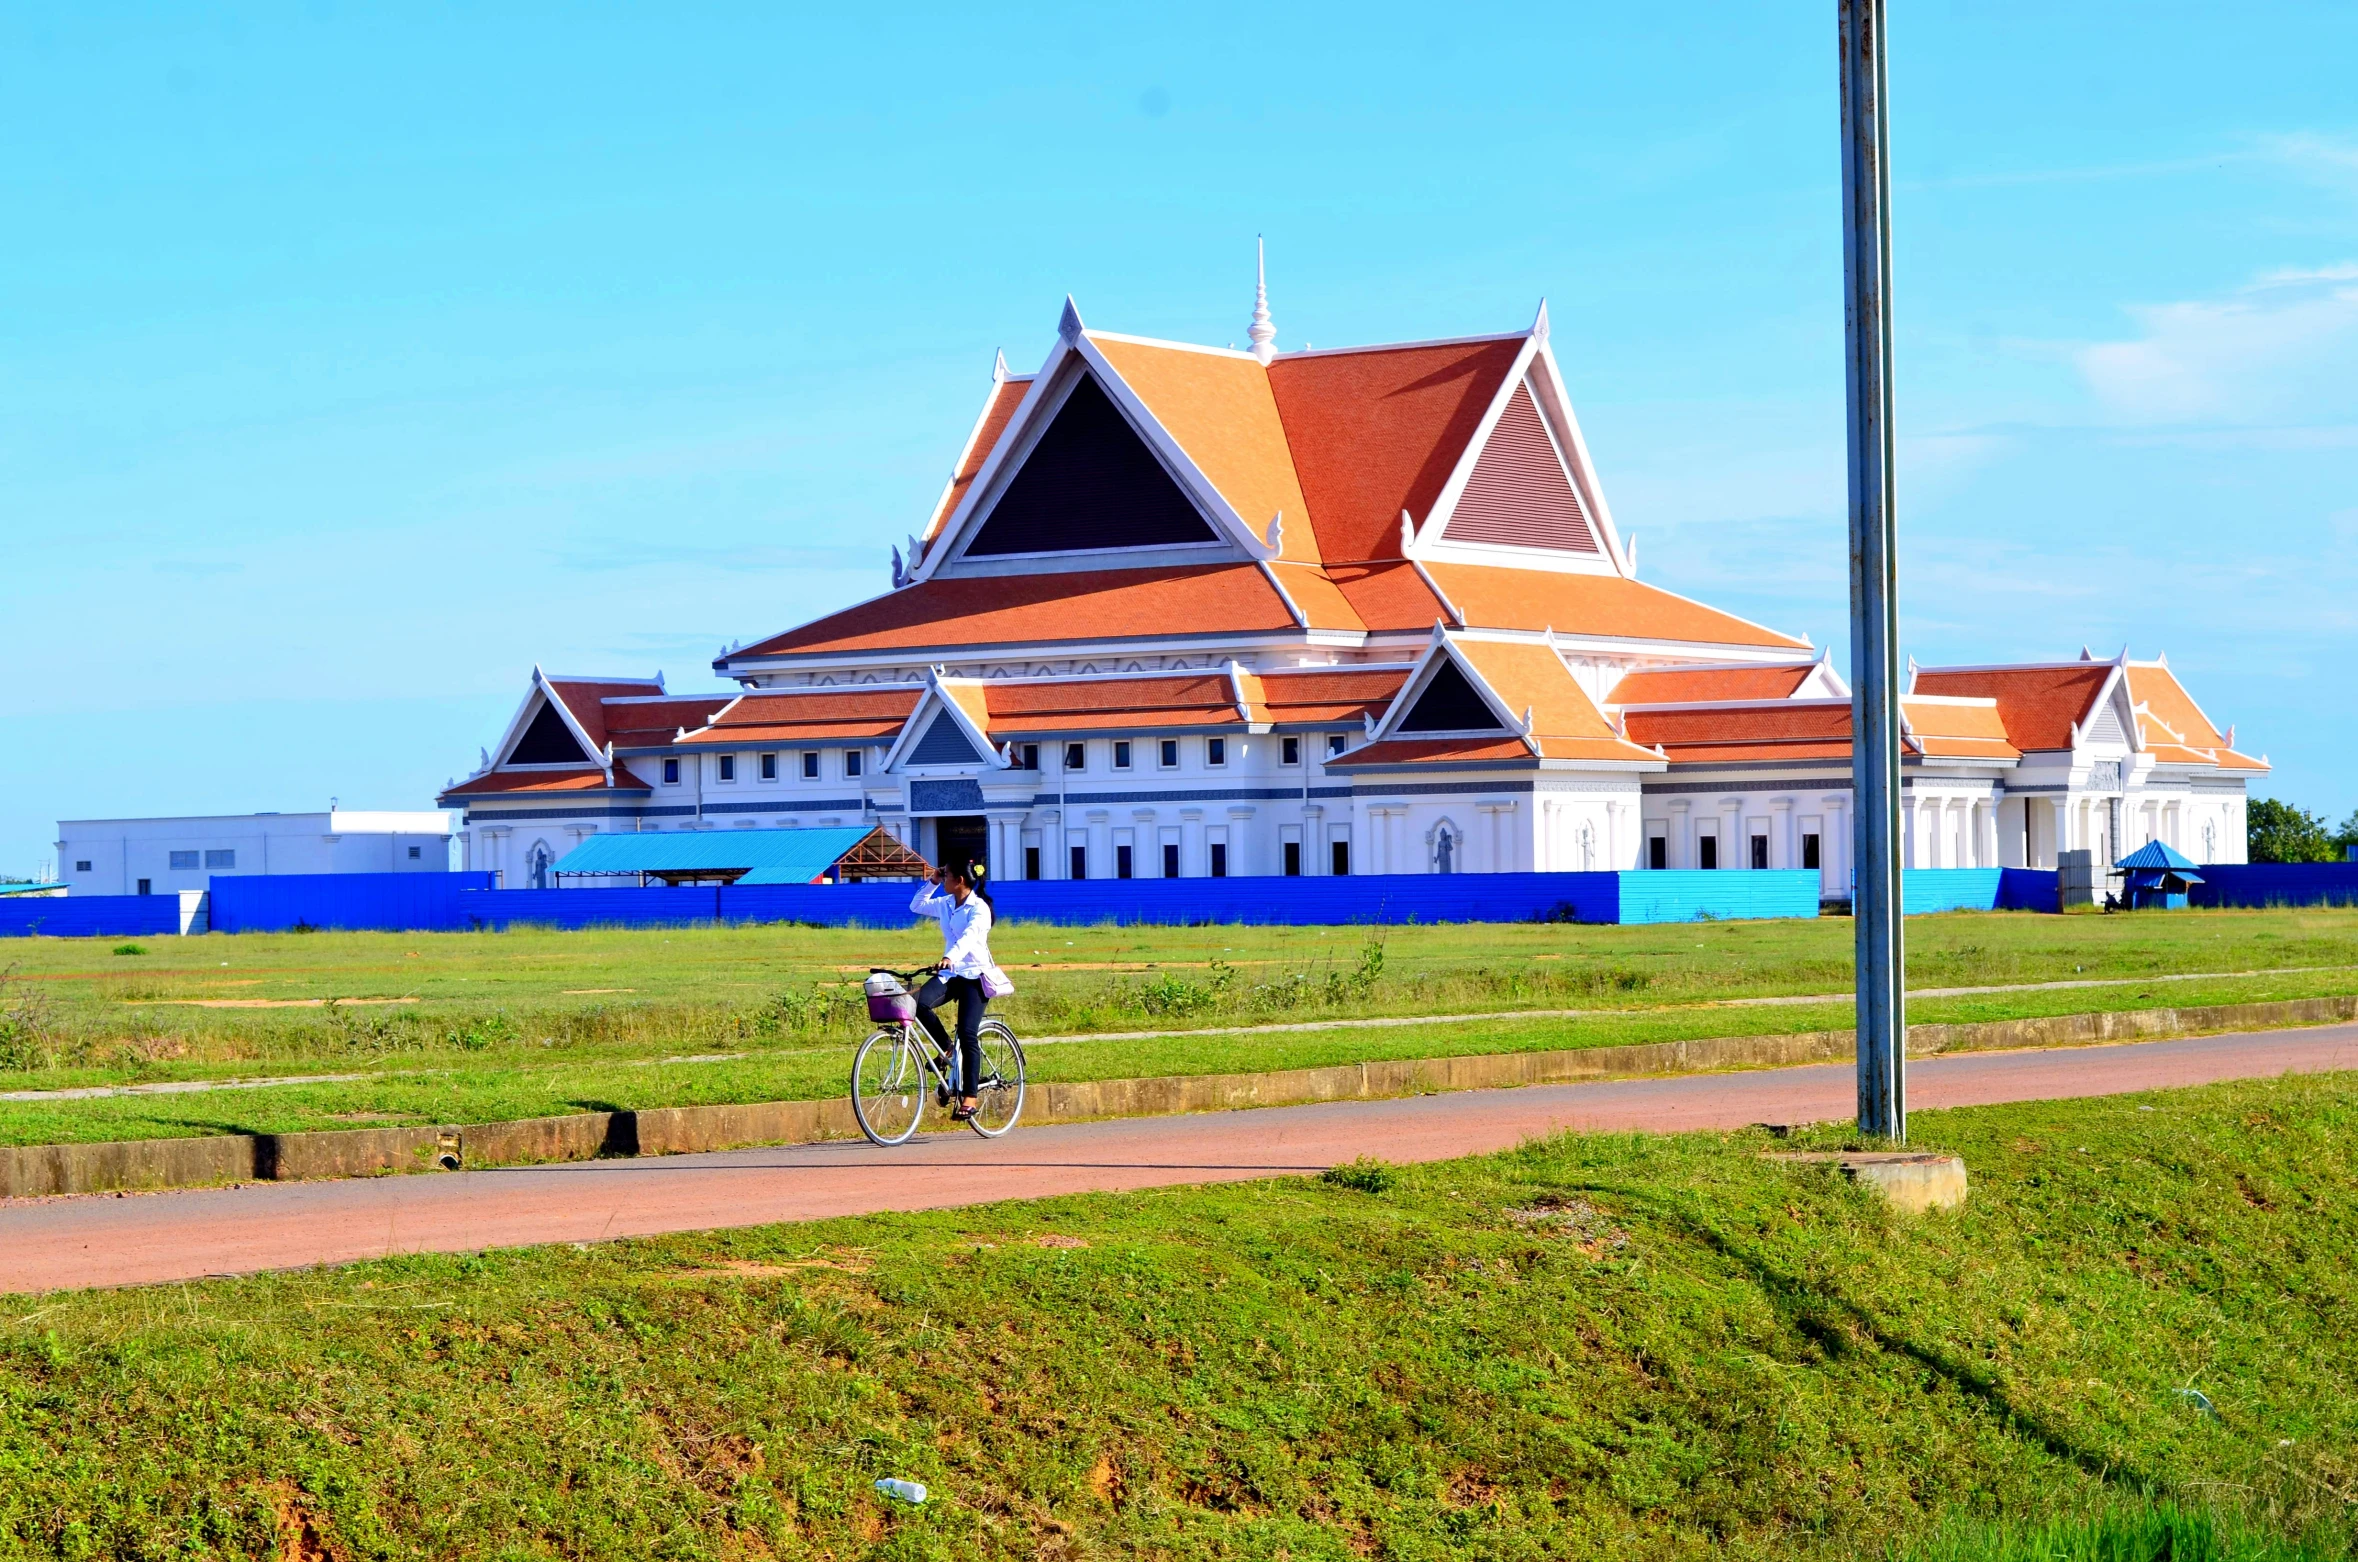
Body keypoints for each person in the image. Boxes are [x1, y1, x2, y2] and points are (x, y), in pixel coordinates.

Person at [908, 859, 995, 1120]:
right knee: (917, 1003)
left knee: (968, 1034)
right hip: (951, 974)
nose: (942, 878)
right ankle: (946, 1047)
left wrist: (950, 956)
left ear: (959, 881)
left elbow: (969, 937)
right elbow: (916, 906)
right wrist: (932, 881)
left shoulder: (979, 909)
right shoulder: (946, 903)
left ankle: (970, 1097)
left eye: (945, 876)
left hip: (975, 974)